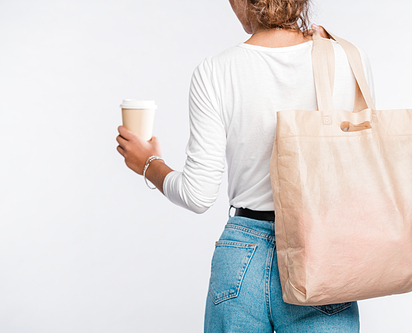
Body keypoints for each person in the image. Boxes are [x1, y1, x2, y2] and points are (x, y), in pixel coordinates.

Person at [116, 0, 374, 331]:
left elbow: (197, 194)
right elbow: (361, 165)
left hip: (243, 255)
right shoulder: (349, 59)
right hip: (325, 250)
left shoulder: (216, 70)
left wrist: (149, 164)